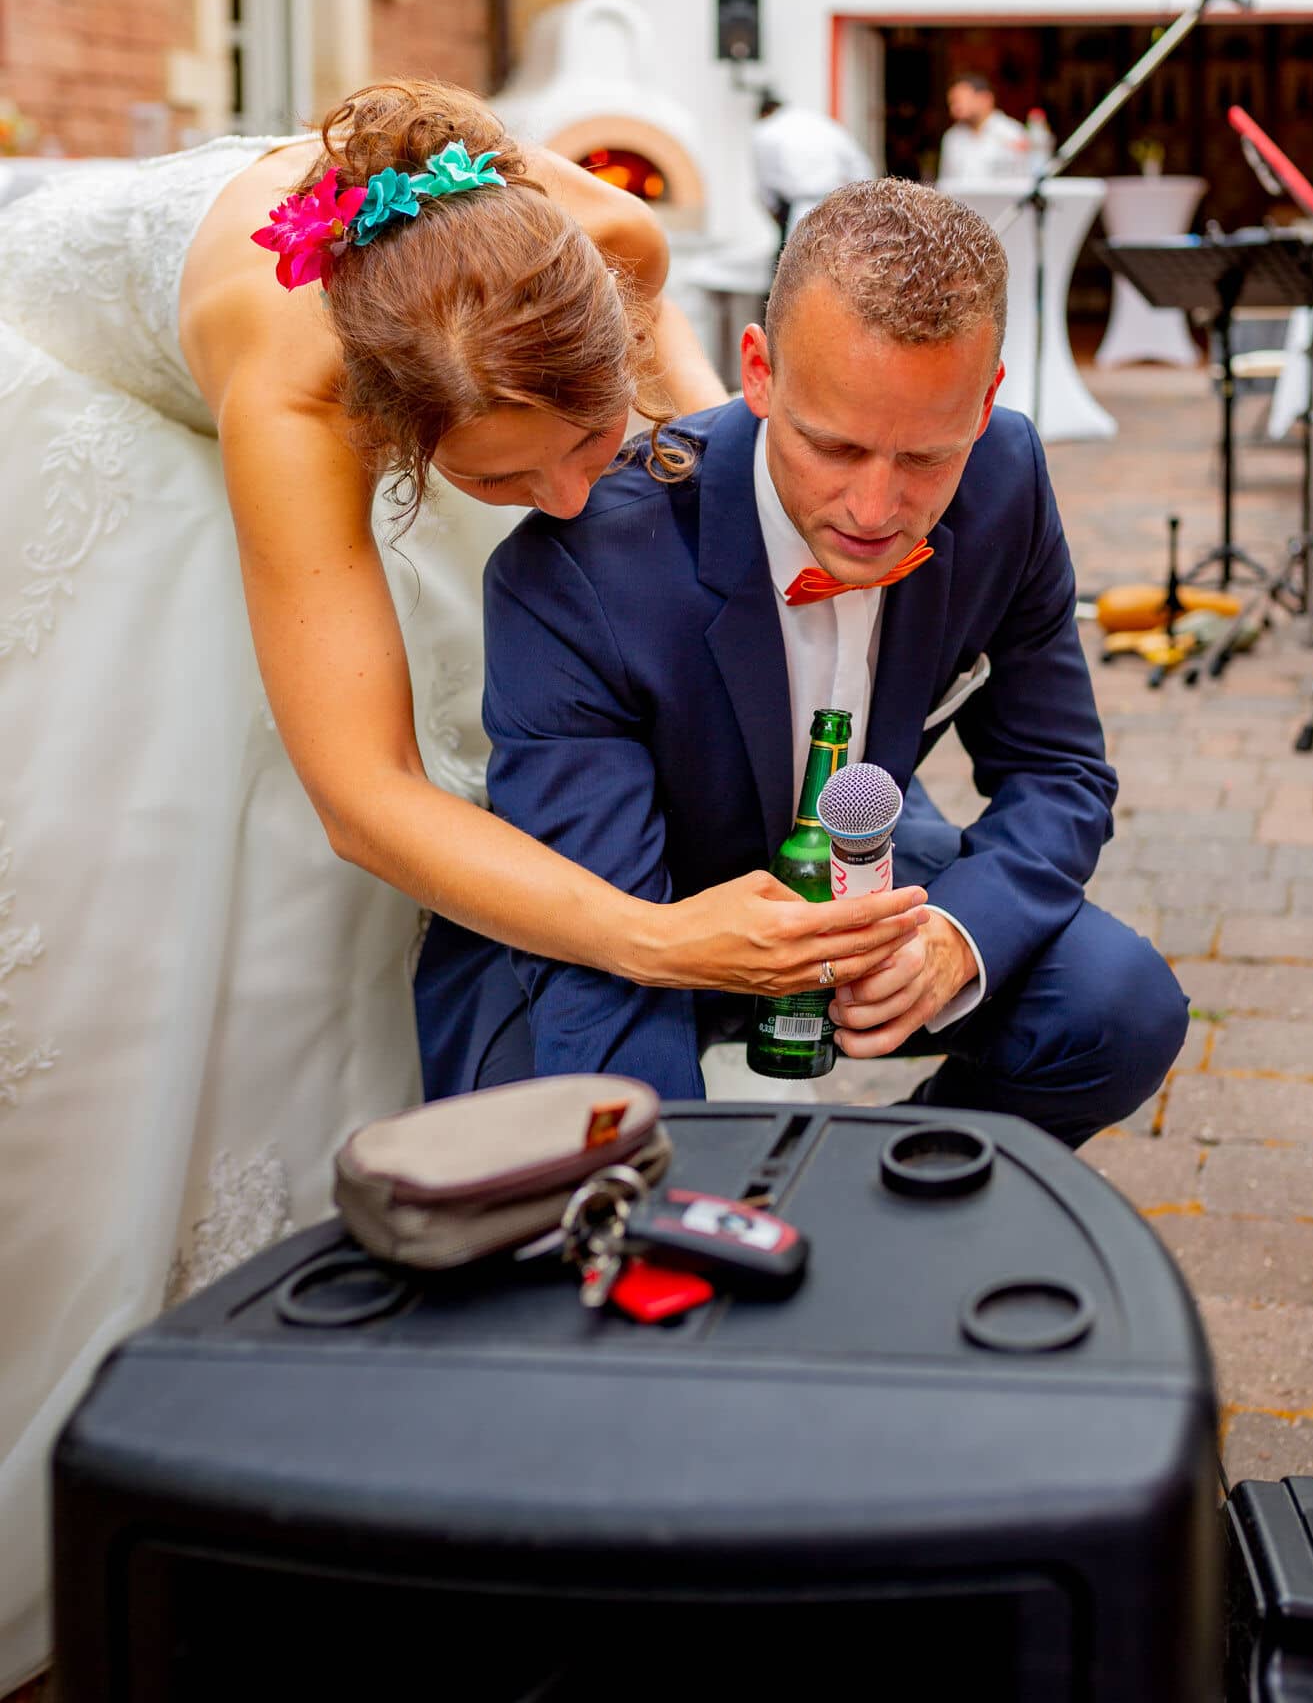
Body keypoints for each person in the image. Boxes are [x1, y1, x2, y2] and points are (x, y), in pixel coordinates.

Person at [0, 82, 919, 1695]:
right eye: (512, 482)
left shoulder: (600, 243)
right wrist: (662, 937)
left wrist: (743, 515)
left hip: (442, 338)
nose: (572, 503)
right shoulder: (301, 387)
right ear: (393, 434)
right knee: (239, 857)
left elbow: (681, 417)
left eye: (584, 444)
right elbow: (366, 802)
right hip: (93, 385)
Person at [416, 179, 1188, 1139]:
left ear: (985, 403)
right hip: (621, 925)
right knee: (571, 1149)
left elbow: (1059, 770)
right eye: (833, 446)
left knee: (1119, 1007)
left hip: (854, 899)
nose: (873, 510)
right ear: (760, 372)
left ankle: (902, 1194)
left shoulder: (1006, 481)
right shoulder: (578, 569)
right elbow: (600, 950)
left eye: (923, 460)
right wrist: (682, 1213)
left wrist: (956, 937)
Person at [751, 91, 875, 252]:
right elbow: (859, 164)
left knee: (797, 264)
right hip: (836, 204)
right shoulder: (821, 122)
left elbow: (765, 181)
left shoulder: (766, 130)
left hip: (797, 208)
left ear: (764, 113)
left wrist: (773, 210)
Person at [938, 73, 1032, 182]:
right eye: (952, 103)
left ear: (985, 98)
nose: (954, 110)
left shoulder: (1012, 133)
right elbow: (945, 184)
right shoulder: (952, 137)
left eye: (959, 101)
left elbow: (1023, 181)